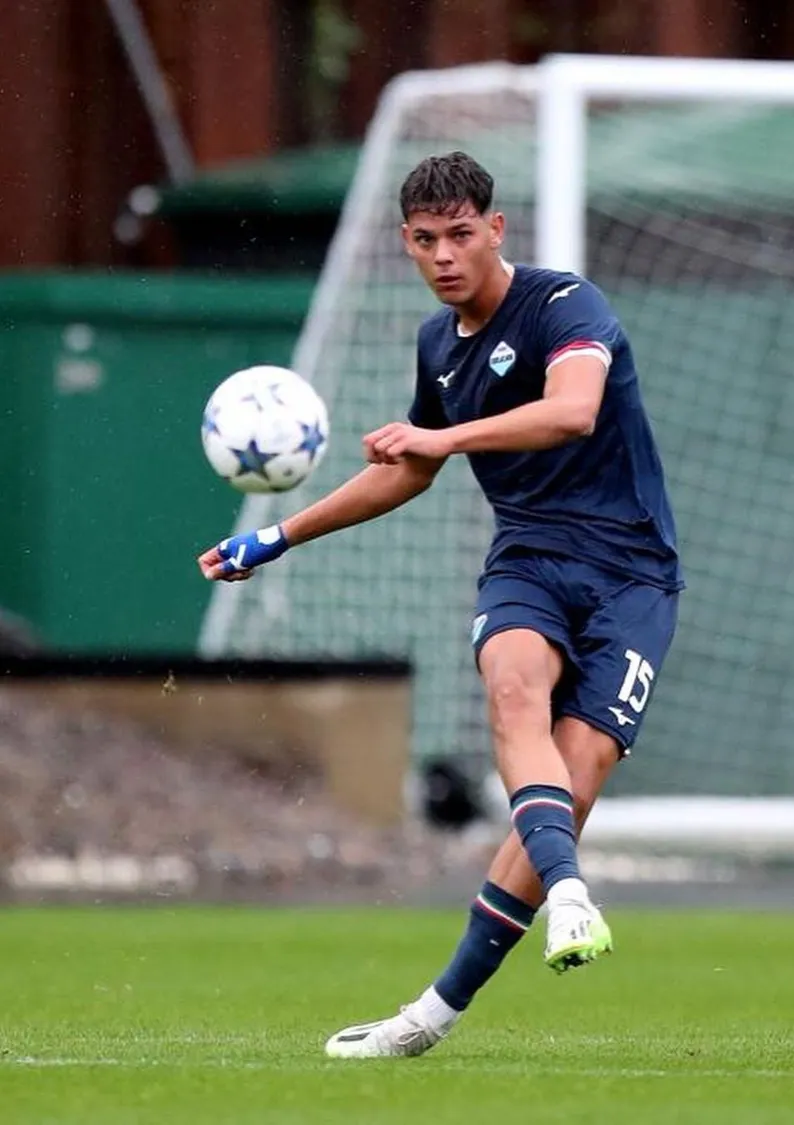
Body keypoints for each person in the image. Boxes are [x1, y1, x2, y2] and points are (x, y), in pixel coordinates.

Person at [198, 151, 683, 1059]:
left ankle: (433, 1013)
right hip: (528, 560)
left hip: (632, 577)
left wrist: (444, 436)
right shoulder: (437, 345)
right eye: (426, 240)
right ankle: (569, 895)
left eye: (461, 234)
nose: (445, 255)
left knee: (573, 781)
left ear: (496, 229)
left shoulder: (564, 304)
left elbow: (572, 411)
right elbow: (409, 470)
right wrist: (277, 536)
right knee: (511, 688)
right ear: (407, 243)